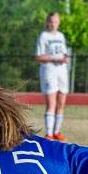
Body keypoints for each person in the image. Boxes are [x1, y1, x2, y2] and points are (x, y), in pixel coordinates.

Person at [35, 11, 70, 140]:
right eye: (50, 21)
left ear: (58, 22)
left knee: (61, 102)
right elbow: (38, 57)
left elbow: (64, 53)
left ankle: (57, 132)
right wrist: (54, 59)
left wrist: (65, 58)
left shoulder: (61, 36)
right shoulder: (43, 36)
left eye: (55, 21)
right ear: (47, 22)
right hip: (49, 71)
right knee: (51, 103)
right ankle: (49, 134)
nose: (53, 24)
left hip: (62, 72)